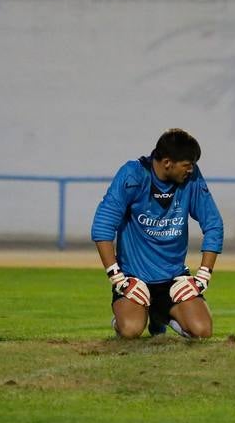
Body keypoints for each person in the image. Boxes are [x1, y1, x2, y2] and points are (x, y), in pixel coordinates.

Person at [91, 128, 223, 339]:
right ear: (168, 162)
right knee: (131, 330)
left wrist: (202, 278)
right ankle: (124, 320)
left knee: (202, 332)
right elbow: (102, 227)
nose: (191, 170)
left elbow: (213, 224)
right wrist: (119, 279)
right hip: (134, 278)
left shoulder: (192, 179)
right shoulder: (133, 174)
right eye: (187, 166)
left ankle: (160, 315)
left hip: (173, 279)